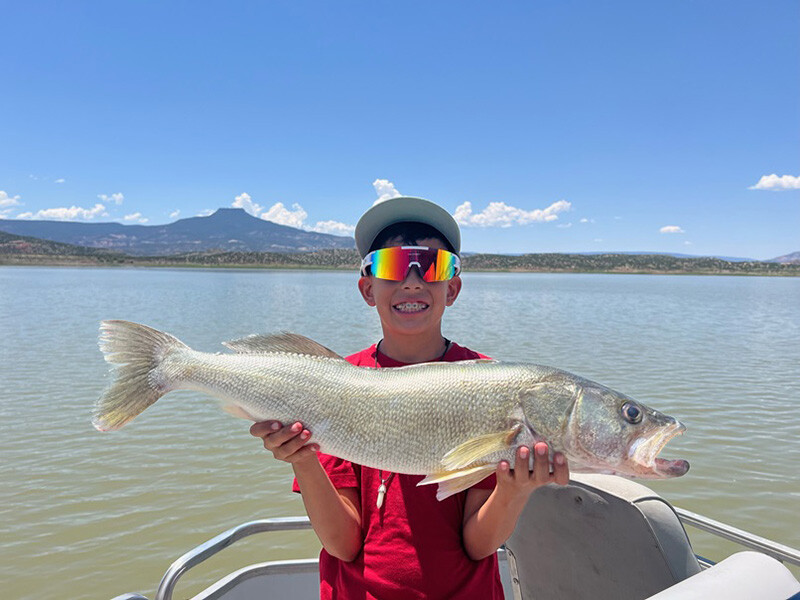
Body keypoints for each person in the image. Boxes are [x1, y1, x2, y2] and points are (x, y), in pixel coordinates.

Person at [250, 196, 570, 599]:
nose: (413, 281)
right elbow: (343, 544)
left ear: (452, 288)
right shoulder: (335, 383)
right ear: (368, 288)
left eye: (433, 266)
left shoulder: (491, 385)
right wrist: (304, 459)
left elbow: (478, 544)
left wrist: (514, 490)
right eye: (392, 265)